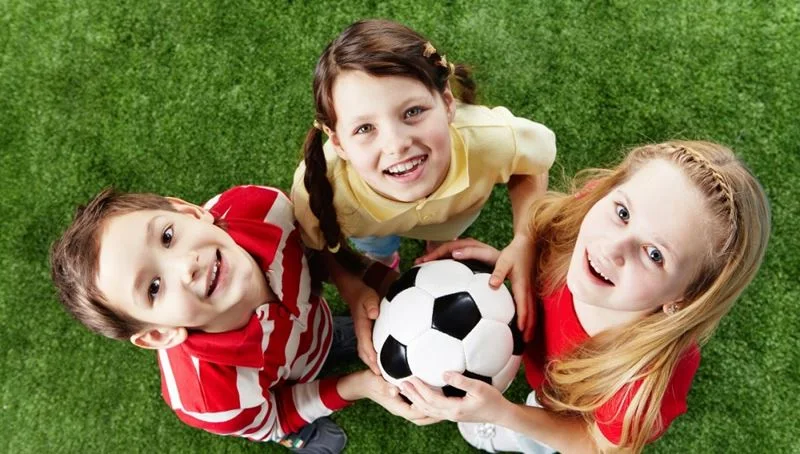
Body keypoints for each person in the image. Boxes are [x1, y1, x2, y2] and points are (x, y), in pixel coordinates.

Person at [403, 141, 770, 453]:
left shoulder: (642, 384)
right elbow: (542, 222)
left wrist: (503, 414)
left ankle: (516, 436)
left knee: (541, 430)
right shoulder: (581, 220)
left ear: (686, 298)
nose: (612, 248)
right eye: (623, 213)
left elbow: (594, 444)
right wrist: (516, 256)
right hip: (534, 356)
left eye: (654, 254)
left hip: (566, 406)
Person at [50, 185, 433, 453]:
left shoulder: (267, 211)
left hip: (310, 330)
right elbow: (276, 414)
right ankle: (300, 437)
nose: (186, 266)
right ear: (158, 334)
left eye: (167, 236)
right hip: (267, 397)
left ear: (189, 212)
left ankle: (326, 341)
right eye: (153, 288)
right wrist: (359, 386)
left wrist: (357, 286)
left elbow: (320, 249)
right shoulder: (210, 398)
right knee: (278, 424)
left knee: (325, 336)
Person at [291, 19, 557, 372]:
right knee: (377, 246)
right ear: (338, 142)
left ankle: (437, 250)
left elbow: (532, 166)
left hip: (453, 216)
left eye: (413, 112)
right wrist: (352, 285)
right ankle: (383, 260)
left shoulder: (490, 138)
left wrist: (525, 238)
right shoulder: (321, 190)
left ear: (447, 102)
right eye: (365, 128)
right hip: (370, 226)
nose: (396, 144)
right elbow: (317, 245)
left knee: (444, 241)